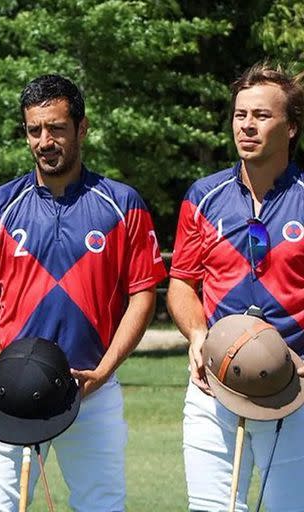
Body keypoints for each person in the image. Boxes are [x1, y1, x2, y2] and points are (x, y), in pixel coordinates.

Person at [0, 74, 167, 512]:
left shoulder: (123, 203)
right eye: (35, 130)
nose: (45, 141)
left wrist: (105, 371)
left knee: (101, 506)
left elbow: (143, 295)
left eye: (56, 128)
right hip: (9, 394)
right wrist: (9, 374)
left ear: (82, 128)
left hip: (91, 389)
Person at [167, 62, 304, 511]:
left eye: (262, 116)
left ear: (292, 128)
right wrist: (197, 334)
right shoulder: (202, 196)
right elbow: (182, 284)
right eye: (240, 114)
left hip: (293, 390)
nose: (247, 125)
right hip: (212, 385)